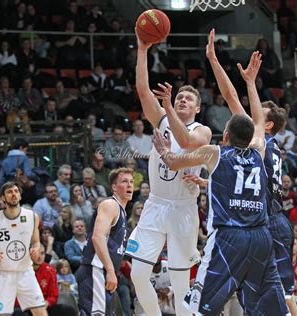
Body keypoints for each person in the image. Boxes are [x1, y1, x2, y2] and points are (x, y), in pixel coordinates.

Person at [153, 52, 287, 315]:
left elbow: (173, 163)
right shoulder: (260, 150)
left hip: (228, 237)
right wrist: (250, 82)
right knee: (270, 307)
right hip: (261, 236)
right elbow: (257, 119)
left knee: (200, 309)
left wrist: (165, 149)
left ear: (225, 135)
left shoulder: (214, 152)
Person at [205, 28, 297, 314]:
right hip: (269, 220)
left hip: (266, 221)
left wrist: (214, 61)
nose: (252, 111)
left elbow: (230, 94)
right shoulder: (266, 144)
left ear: (266, 124)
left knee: (280, 294)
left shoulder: (260, 141)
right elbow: (233, 96)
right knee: (261, 294)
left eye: (261, 113)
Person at [125, 28, 212, 316]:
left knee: (180, 282)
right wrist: (142, 49)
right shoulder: (162, 118)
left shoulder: (201, 130)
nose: (181, 100)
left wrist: (167, 110)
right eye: (179, 98)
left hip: (183, 209)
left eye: (188, 100)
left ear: (198, 109)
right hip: (155, 204)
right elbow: (141, 90)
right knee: (138, 274)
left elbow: (186, 143)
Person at [0, 182, 47, 315]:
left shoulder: (32, 216)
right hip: (3, 273)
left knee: (41, 312)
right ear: (3, 198)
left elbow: (36, 242)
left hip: (25, 272)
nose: (14, 194)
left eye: (16, 191)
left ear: (20, 196)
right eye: (10, 192)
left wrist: (36, 249)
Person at [76, 168, 133, 315]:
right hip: (95, 269)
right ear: (114, 187)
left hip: (102, 272)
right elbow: (98, 237)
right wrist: (110, 270)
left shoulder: (122, 211)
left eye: (131, 182)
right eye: (124, 182)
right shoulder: (110, 205)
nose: (130, 185)